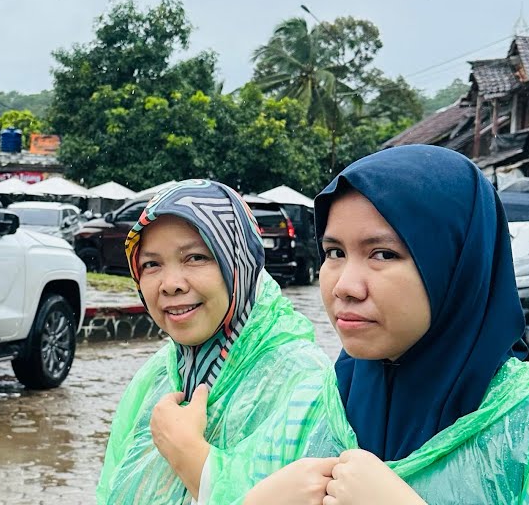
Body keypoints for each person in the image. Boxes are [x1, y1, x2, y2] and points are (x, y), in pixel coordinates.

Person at [246, 145, 529, 504]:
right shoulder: (320, 402)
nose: (344, 286)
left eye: (382, 253)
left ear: (457, 267)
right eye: (335, 252)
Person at [96, 180, 354, 504]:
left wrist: (189, 455)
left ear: (239, 264)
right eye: (151, 264)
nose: (170, 284)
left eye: (195, 257)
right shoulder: (158, 376)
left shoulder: (304, 382)